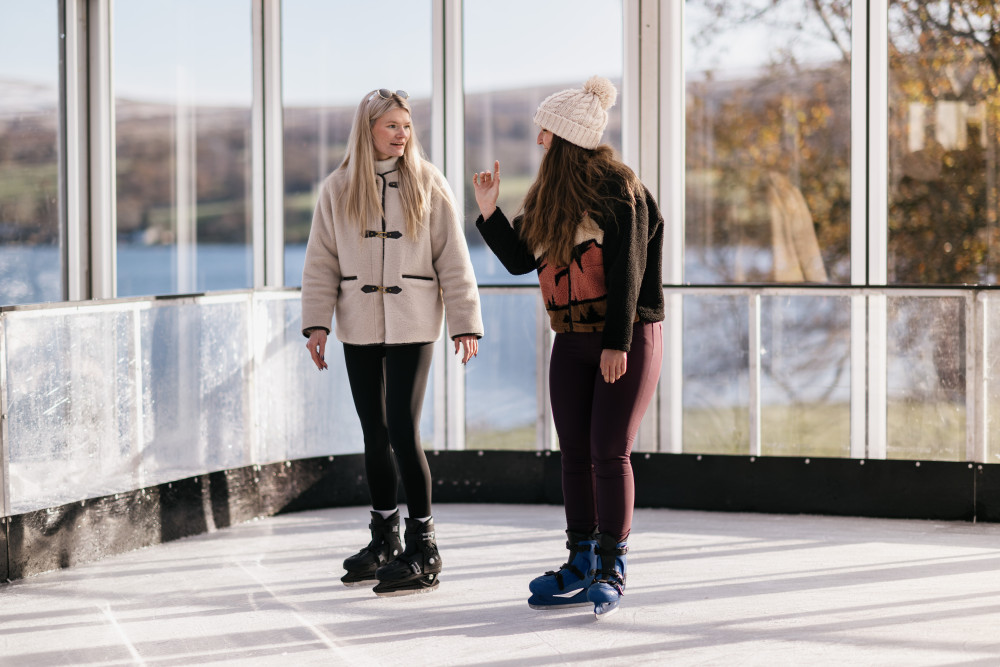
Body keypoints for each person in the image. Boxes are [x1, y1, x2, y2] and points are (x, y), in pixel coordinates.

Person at [473, 76, 664, 618]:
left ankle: (612, 565)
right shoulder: (550, 198)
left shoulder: (619, 189)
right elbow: (519, 259)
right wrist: (489, 211)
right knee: (575, 453)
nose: (537, 140)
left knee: (609, 450)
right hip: (571, 342)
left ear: (564, 136)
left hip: (622, 339)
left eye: (544, 131)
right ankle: (580, 558)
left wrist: (616, 343)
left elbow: (629, 272)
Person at [301, 88, 484, 597]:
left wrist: (465, 320)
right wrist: (316, 323)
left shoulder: (428, 182)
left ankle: (424, 546)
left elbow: (453, 256)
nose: (402, 135)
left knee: (403, 427)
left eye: (406, 125)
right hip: (358, 324)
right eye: (392, 126)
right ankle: (384, 538)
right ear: (368, 131)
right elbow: (320, 262)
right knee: (373, 431)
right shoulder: (338, 188)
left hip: (413, 322)